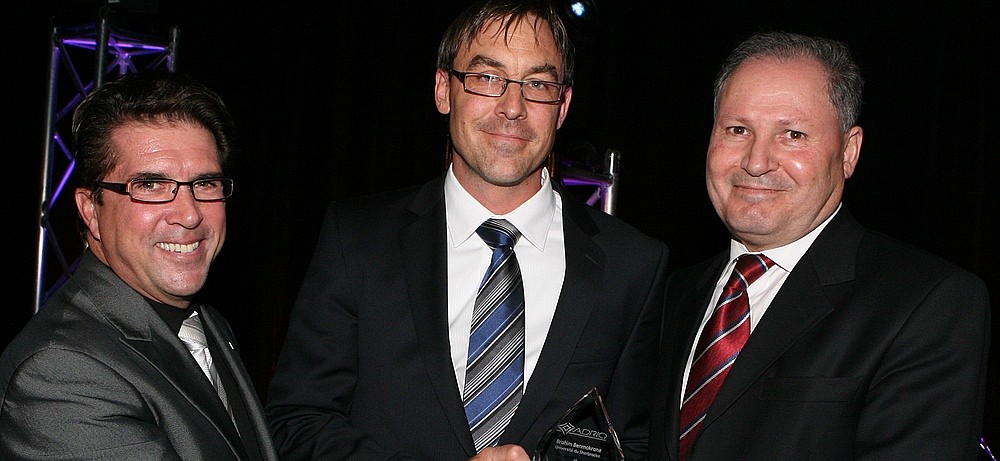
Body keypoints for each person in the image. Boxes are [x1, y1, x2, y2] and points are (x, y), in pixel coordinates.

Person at [264, 0, 669, 459]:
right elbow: (295, 422)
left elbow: (635, 445)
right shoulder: (357, 240)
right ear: (443, 89)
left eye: (537, 84)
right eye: (486, 78)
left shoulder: (633, 265)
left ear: (562, 105)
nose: (512, 107)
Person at [648, 31, 991, 460]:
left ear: (849, 152)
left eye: (792, 135)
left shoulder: (926, 304)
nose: (756, 161)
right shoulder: (673, 295)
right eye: (738, 129)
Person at [0, 71, 278, 460]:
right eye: (150, 185)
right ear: (91, 211)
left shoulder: (206, 323)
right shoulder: (60, 373)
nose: (189, 214)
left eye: (205, 183)